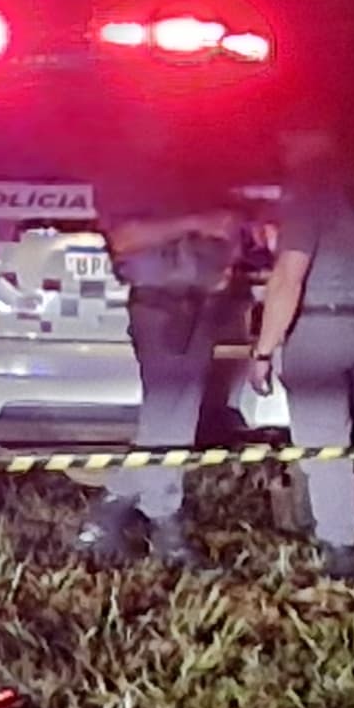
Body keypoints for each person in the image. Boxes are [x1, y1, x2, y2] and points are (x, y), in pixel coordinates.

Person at [246, 108, 354, 585]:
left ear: (315, 136)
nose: (283, 149)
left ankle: (342, 554)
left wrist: (264, 351)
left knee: (326, 448)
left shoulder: (312, 188)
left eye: (288, 139)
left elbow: (288, 277)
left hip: (319, 329)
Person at [76, 130, 250, 570]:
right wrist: (197, 222)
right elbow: (125, 238)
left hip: (199, 306)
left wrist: (222, 258)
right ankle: (160, 526)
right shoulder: (124, 170)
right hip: (160, 309)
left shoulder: (193, 169)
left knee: (173, 418)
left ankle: (110, 519)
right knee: (168, 418)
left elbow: (221, 227)